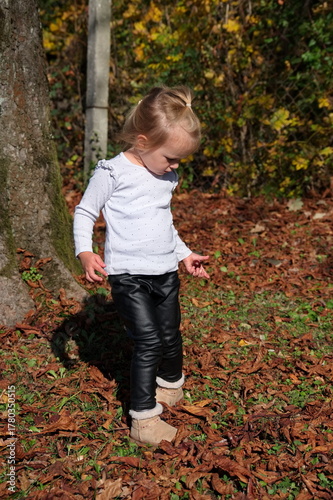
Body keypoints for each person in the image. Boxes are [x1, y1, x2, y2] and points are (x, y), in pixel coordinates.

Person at [73, 85, 209, 446]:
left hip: (165, 271)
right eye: (171, 157)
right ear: (144, 140)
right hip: (129, 275)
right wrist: (84, 252)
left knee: (170, 334)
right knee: (148, 341)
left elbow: (163, 222)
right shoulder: (112, 172)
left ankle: (170, 388)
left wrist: (184, 253)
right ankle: (143, 420)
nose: (175, 166)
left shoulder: (165, 176)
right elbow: (86, 211)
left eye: (179, 160)